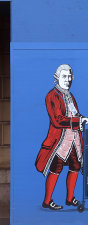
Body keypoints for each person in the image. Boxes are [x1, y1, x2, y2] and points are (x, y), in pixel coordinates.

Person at [35, 64, 88, 210]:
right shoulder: (51, 96)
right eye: (64, 76)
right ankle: (47, 201)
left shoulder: (70, 96)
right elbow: (57, 120)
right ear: (57, 78)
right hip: (60, 141)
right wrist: (79, 121)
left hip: (74, 139)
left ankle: (70, 199)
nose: (68, 79)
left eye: (70, 76)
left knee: (76, 165)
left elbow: (75, 114)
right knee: (56, 167)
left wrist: (82, 118)